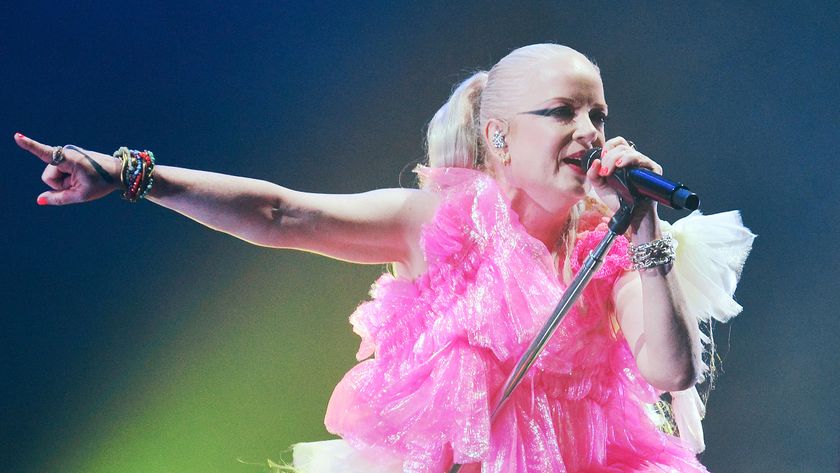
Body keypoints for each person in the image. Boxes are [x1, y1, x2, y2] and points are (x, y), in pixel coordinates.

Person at [16, 44, 753, 473]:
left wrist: (643, 220)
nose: (590, 130)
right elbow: (282, 214)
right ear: (499, 136)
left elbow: (670, 371)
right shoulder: (438, 224)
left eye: (597, 113)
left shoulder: (617, 251)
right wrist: (133, 175)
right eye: (564, 111)